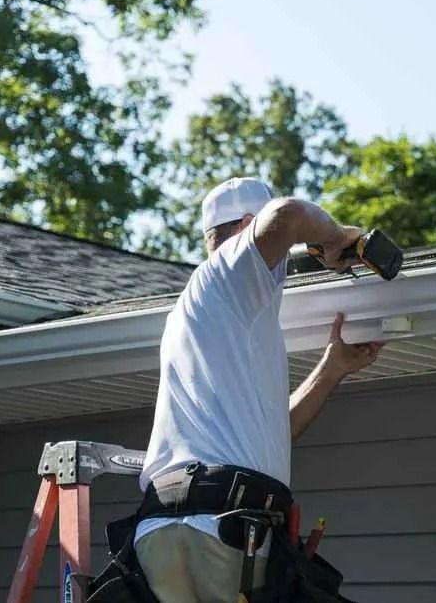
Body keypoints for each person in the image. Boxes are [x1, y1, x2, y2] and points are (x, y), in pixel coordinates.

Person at [133, 177, 385, 602]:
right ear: (248, 226)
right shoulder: (229, 274)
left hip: (172, 529)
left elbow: (272, 435)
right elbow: (289, 215)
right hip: (222, 526)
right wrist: (337, 237)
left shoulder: (218, 317)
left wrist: (330, 369)